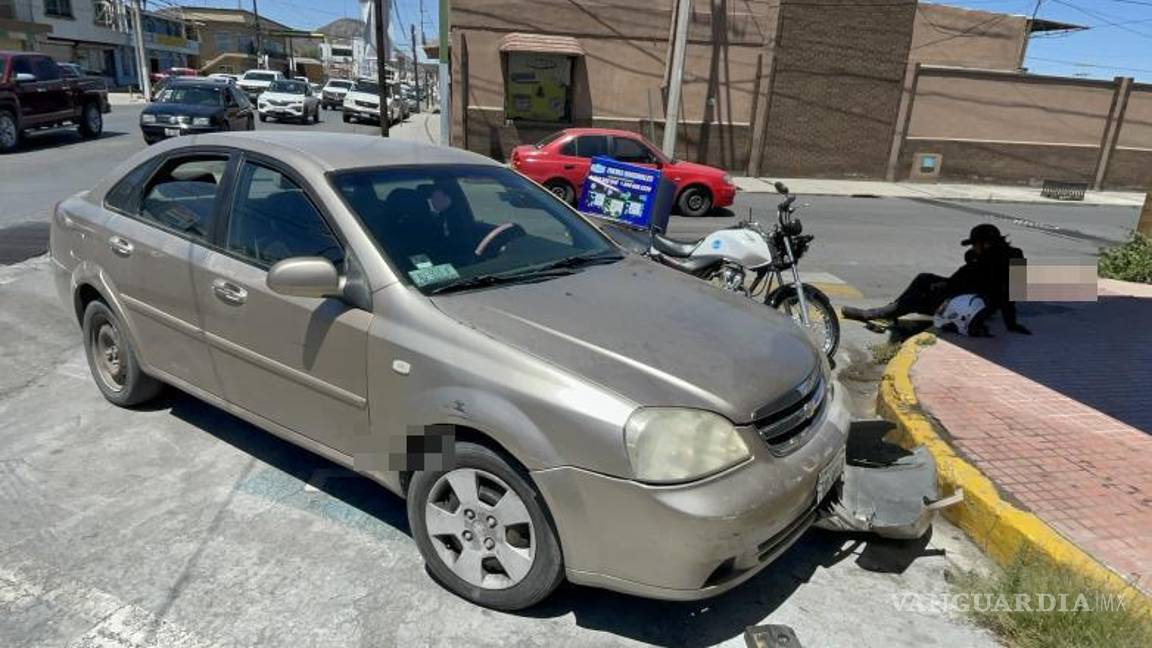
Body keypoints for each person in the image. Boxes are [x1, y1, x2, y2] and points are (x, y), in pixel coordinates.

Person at [842, 223, 1031, 336]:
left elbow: (1008, 293)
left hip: (969, 307)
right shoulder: (1014, 255)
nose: (973, 249)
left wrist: (1011, 324)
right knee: (924, 280)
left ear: (986, 244)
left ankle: (876, 314)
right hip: (968, 297)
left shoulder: (985, 262)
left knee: (917, 297)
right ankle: (892, 308)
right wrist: (1011, 323)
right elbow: (1016, 292)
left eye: (975, 245)